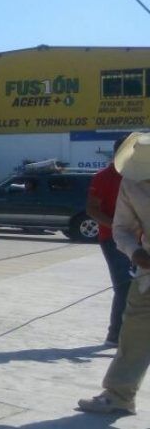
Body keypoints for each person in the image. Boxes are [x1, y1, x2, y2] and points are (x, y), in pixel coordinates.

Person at [79, 132, 150, 415]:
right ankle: (120, 395)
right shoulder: (130, 183)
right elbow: (120, 228)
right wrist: (136, 252)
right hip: (147, 272)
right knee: (133, 332)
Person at [87, 137, 133, 347]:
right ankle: (114, 335)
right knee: (124, 287)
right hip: (112, 240)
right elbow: (92, 209)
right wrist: (118, 227)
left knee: (142, 287)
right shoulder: (103, 177)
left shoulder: (140, 175)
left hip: (140, 238)